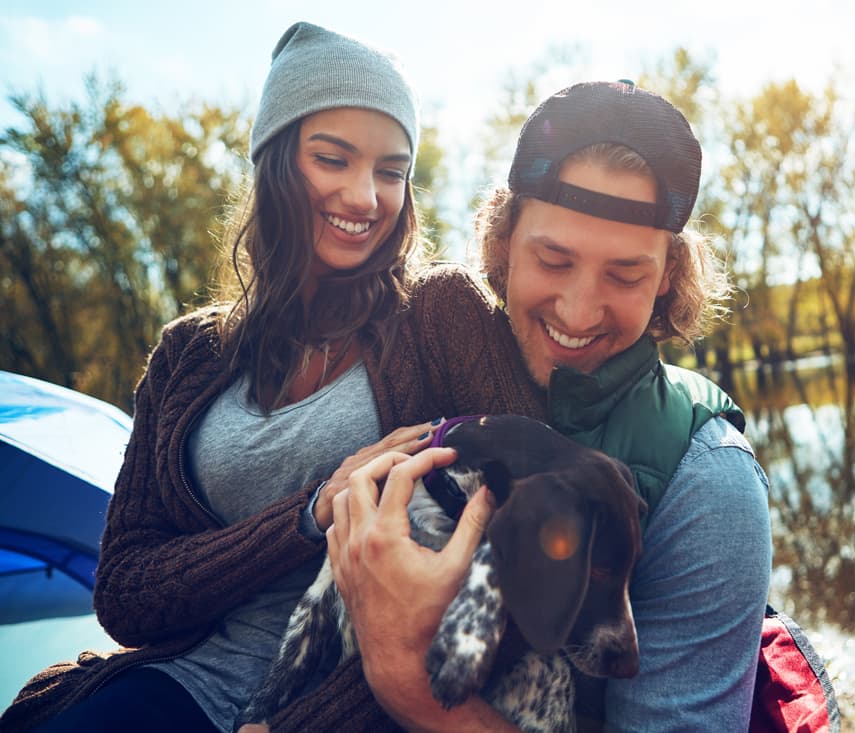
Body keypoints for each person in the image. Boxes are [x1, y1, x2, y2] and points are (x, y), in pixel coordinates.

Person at [0, 21, 493, 733]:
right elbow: (126, 592)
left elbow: (521, 535)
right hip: (180, 685)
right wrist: (309, 511)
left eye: (391, 170)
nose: (365, 196)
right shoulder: (188, 355)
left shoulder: (440, 313)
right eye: (333, 158)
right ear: (274, 162)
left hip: (365, 705)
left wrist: (301, 724)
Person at [329, 80, 774, 732]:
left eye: (624, 275)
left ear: (668, 279)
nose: (578, 309)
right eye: (553, 258)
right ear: (504, 244)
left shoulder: (709, 482)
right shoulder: (432, 375)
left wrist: (408, 679)